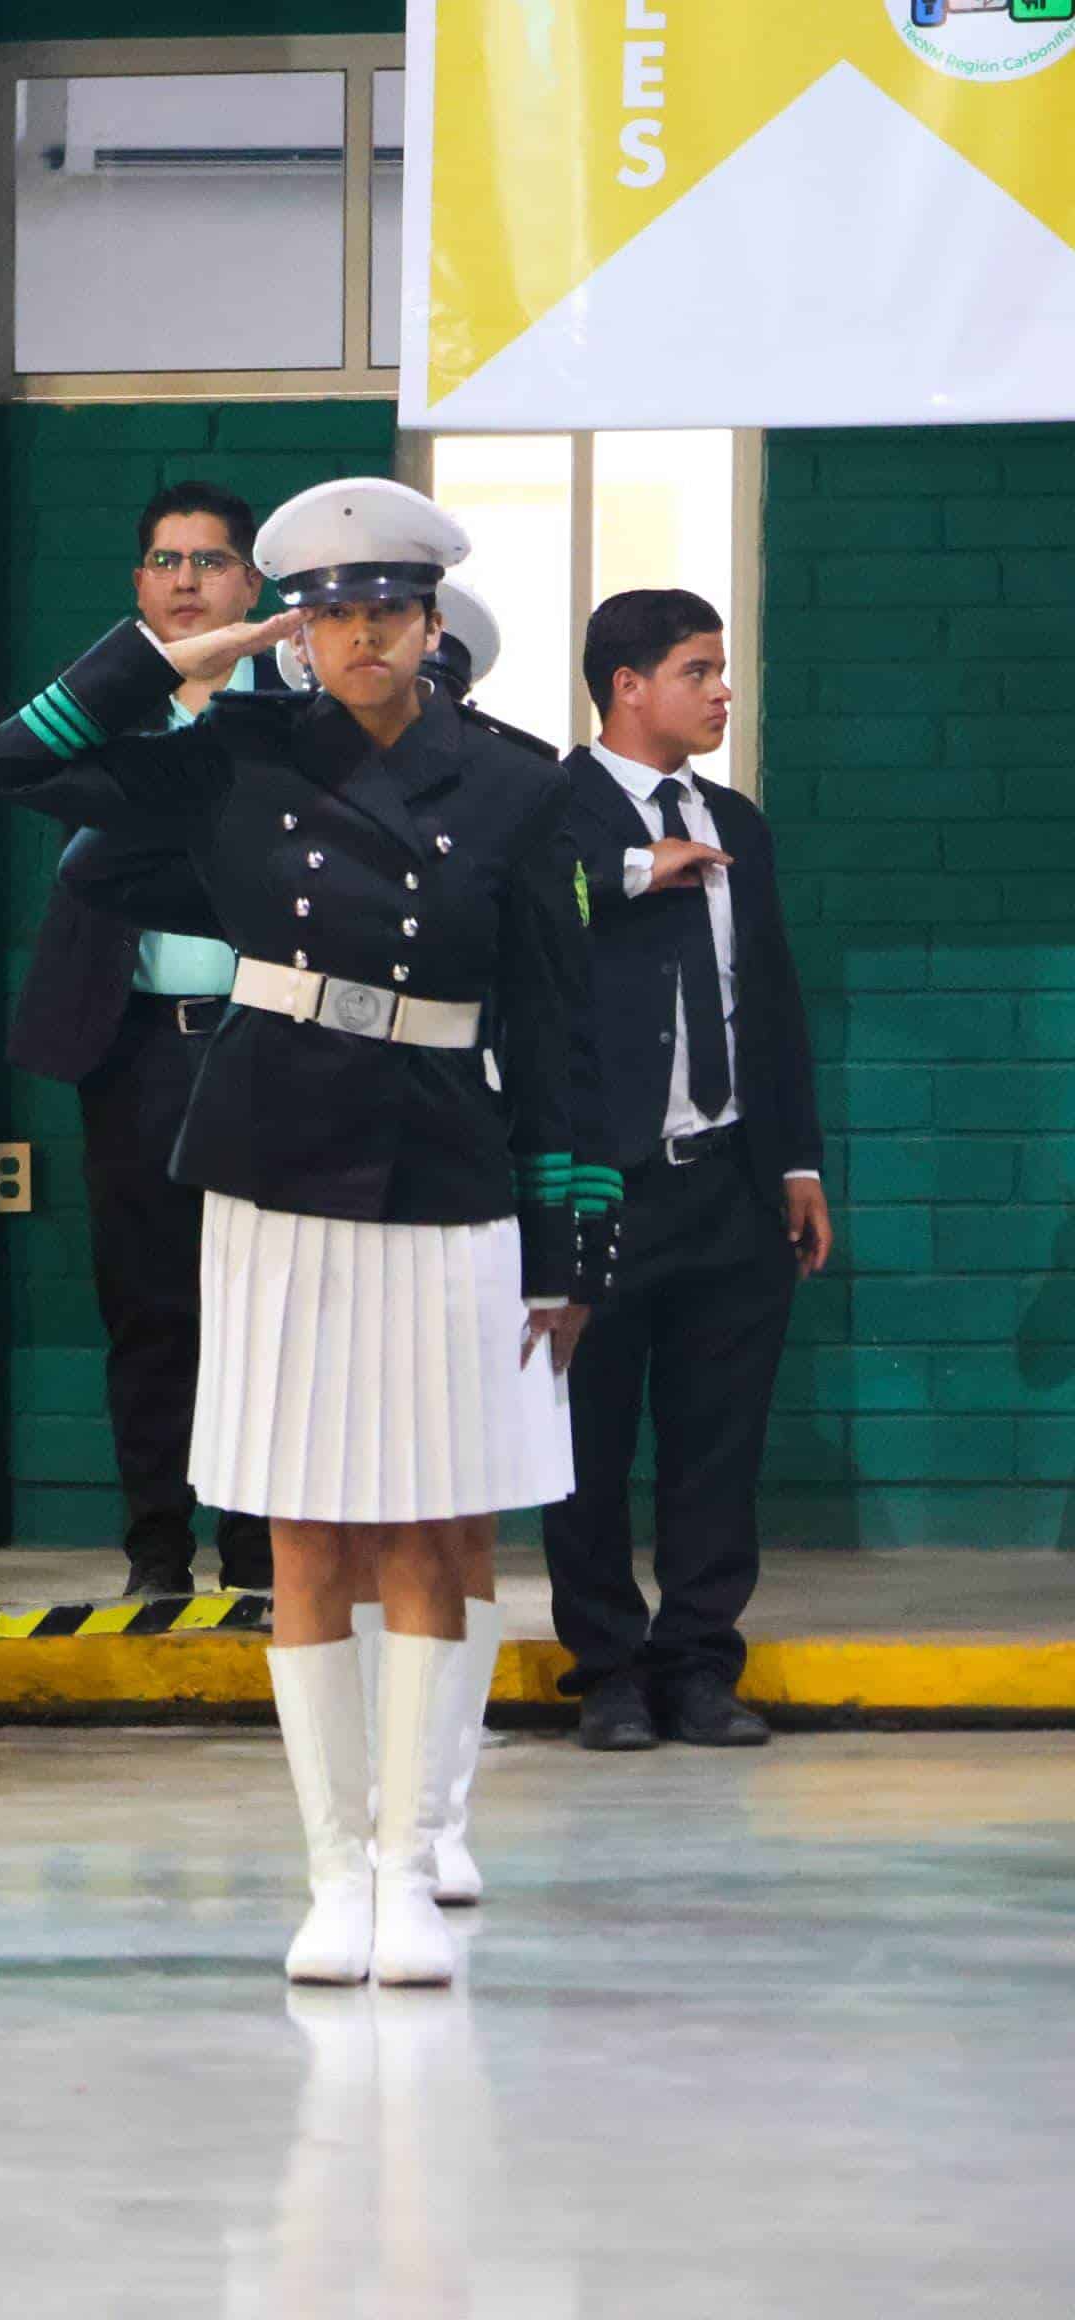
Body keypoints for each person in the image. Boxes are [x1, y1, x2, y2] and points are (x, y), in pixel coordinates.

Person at [0, 478, 598, 1991]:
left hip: (445, 1163)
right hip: (270, 1153)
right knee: (309, 1526)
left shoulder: (522, 789)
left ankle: (410, 1848)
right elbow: (13, 764)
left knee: (433, 1521)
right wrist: (169, 656)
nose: (359, 633)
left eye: (386, 608)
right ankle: (335, 1876)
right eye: (327, 611)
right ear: (296, 629)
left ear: (430, 619)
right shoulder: (235, 758)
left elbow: (564, 1030)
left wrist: (573, 1238)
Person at [545, 589, 826, 1752]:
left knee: (719, 1439)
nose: (721, 692)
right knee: (589, 1440)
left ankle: (701, 1660)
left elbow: (769, 996)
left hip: (730, 1179)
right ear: (627, 685)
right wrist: (622, 872)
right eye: (699, 670)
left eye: (721, 671)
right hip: (603, 1184)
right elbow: (510, 944)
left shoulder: (738, 823)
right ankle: (607, 1667)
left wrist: (798, 1162)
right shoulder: (545, 814)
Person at [6, 481, 282, 1599]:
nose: (186, 581)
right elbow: (12, 767)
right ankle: (157, 1553)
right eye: (165, 562)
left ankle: (261, 1555)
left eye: (209, 561)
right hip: (137, 1050)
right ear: (138, 586)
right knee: (151, 1308)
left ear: (251, 585)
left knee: (265, 1310)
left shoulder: (292, 716)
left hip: (271, 1049)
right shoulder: (101, 714)